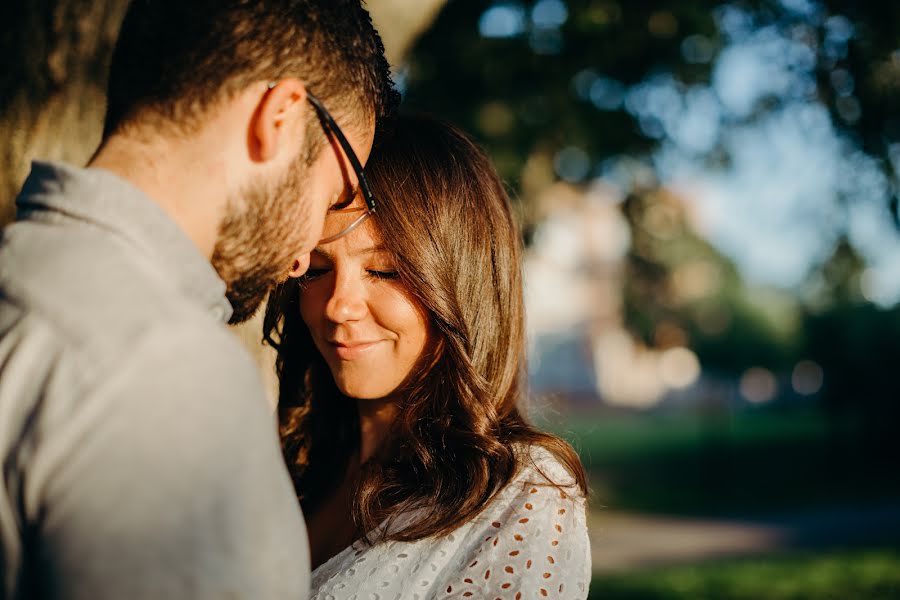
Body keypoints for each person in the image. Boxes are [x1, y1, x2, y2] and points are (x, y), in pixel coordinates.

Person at [0, 1, 396, 598]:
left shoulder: (23, 279)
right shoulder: (168, 368)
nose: (299, 259)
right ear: (281, 116)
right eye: (335, 192)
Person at [263, 115, 591, 599]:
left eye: (384, 270)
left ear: (460, 281)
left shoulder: (520, 497)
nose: (338, 304)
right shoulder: (287, 462)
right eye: (316, 268)